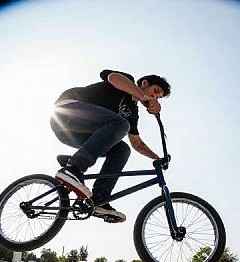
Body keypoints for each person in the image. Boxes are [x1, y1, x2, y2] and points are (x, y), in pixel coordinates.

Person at [50, 69, 171, 222]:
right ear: (145, 83)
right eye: (155, 92)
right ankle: (73, 167)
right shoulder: (127, 81)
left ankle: (99, 199)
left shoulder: (132, 113)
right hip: (66, 112)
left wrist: (157, 158)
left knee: (123, 149)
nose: (154, 97)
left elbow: (137, 143)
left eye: (158, 97)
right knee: (120, 124)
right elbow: (112, 77)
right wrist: (144, 96)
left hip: (77, 135)